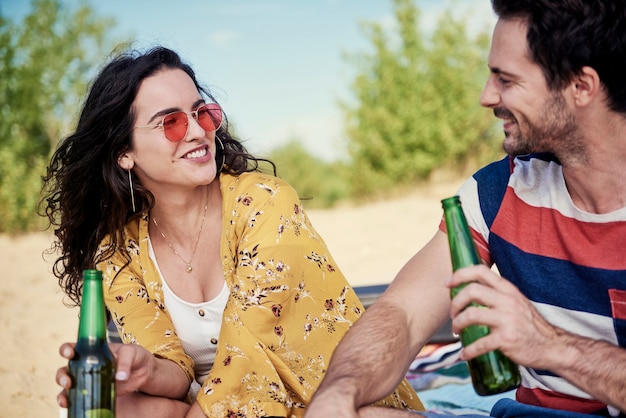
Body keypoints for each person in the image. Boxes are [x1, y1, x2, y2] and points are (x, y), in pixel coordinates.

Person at [41, 46, 424, 417]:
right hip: (211, 405)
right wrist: (144, 367)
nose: (195, 132)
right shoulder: (118, 252)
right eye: (170, 122)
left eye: (201, 113)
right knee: (108, 408)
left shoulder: (264, 202)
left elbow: (247, 352)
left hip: (319, 400)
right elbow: (174, 371)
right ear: (124, 152)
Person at [305, 0, 626, 417]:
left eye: (506, 80)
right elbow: (401, 312)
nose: (486, 96)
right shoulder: (499, 189)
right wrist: (339, 391)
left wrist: (549, 344)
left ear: (580, 87)